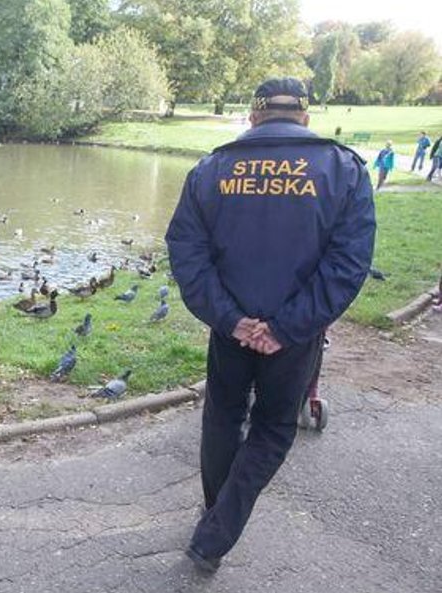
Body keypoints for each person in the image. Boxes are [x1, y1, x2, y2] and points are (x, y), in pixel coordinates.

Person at [166, 77, 375, 573]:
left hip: (231, 329)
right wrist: (284, 328)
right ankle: (214, 534)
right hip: (294, 337)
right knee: (273, 429)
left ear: (254, 116)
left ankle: (214, 516)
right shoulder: (343, 170)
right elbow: (348, 264)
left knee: (222, 418)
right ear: (305, 117)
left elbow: (187, 254)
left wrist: (233, 320)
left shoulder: (211, 169)